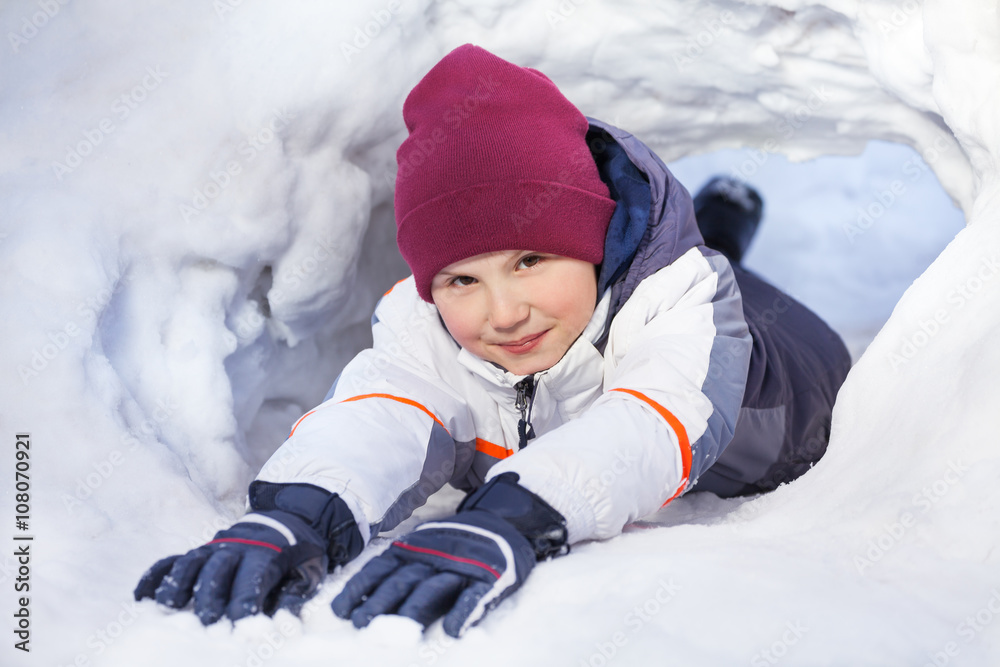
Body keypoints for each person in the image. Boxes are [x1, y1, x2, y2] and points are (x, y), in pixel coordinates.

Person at [134, 44, 852, 638]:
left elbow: (651, 417)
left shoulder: (681, 296)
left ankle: (720, 226)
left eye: (530, 260)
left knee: (722, 270)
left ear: (595, 243)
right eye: (460, 278)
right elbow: (384, 406)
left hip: (782, 369)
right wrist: (300, 506)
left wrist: (518, 511)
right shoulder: (428, 323)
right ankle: (714, 220)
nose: (502, 313)